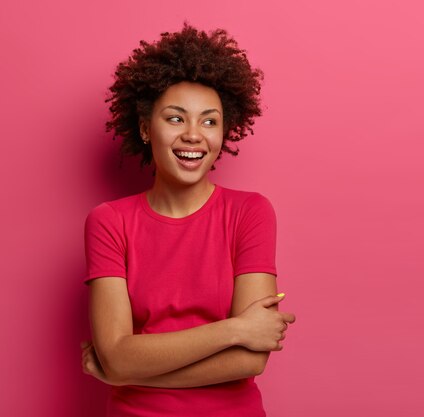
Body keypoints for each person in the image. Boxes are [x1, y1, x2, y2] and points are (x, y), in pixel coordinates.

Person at [79, 24, 295, 417]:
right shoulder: (109, 222)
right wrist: (234, 330)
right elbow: (117, 355)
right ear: (146, 128)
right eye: (175, 119)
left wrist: (121, 373)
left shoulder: (251, 212)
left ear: (225, 132)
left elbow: (250, 361)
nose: (194, 135)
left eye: (209, 121)